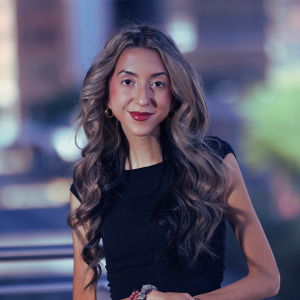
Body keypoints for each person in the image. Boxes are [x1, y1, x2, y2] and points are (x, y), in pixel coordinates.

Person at [67, 21, 280, 300]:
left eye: (157, 83)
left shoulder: (213, 163)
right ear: (107, 94)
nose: (143, 98)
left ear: (174, 95)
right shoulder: (90, 185)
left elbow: (267, 279)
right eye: (128, 81)